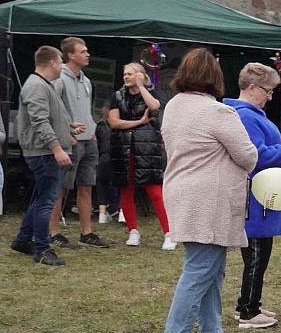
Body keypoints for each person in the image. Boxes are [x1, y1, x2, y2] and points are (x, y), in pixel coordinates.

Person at [161, 49, 258, 333]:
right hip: (209, 197)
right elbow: (248, 156)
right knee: (201, 268)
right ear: (215, 77)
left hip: (180, 190)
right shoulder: (218, 112)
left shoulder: (174, 105)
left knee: (211, 268)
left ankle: (212, 332)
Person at [226, 63, 281, 330]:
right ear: (252, 88)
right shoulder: (247, 117)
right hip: (256, 197)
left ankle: (250, 303)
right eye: (268, 90)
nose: (270, 96)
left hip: (263, 194)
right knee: (255, 256)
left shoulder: (252, 114)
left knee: (259, 255)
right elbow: (256, 155)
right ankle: (248, 312)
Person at [11, 46, 73, 266]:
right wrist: (57, 148)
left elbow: (46, 118)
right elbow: (39, 121)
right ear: (53, 63)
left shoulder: (42, 85)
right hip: (44, 152)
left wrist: (67, 128)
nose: (63, 66)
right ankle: (42, 249)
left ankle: (23, 240)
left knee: (42, 198)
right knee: (46, 201)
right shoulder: (37, 86)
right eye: (61, 62)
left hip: (45, 150)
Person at [49, 37, 109, 249]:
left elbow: (87, 109)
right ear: (70, 55)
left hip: (88, 140)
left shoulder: (86, 80)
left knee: (87, 185)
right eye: (83, 51)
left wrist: (92, 130)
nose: (87, 54)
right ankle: (53, 231)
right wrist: (65, 134)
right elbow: (52, 110)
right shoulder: (59, 79)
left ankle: (87, 232)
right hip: (69, 141)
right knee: (61, 187)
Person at [107, 63, 172, 248]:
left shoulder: (151, 93)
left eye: (130, 74)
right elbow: (114, 122)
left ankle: (168, 233)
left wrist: (142, 86)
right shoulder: (117, 96)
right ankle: (133, 231)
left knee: (154, 191)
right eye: (125, 74)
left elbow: (154, 106)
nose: (126, 77)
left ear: (141, 75)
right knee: (126, 189)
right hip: (123, 147)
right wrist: (139, 122)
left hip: (147, 148)